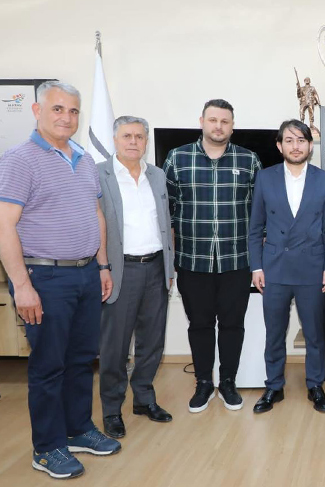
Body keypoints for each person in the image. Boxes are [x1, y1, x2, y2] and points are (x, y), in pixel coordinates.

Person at [0, 81, 121, 480]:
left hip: (86, 273)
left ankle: (77, 429)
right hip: (45, 276)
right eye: (57, 109)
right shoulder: (19, 160)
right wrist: (22, 286)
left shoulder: (83, 158)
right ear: (37, 111)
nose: (66, 117)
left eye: (72, 111)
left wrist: (102, 266)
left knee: (82, 359)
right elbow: (4, 226)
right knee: (49, 365)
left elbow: (95, 214)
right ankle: (48, 447)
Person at [163, 99, 262, 413]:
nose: (219, 126)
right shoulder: (177, 158)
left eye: (225, 121)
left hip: (236, 260)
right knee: (200, 325)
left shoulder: (249, 160)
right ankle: (204, 383)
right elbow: (167, 212)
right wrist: (170, 260)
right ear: (202, 121)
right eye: (213, 120)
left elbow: (259, 212)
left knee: (233, 325)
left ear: (232, 126)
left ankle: (228, 382)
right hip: (193, 260)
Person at [97, 116, 175, 438]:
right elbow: (95, 224)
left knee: (152, 341)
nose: (133, 142)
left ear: (146, 142)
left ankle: (144, 398)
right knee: (115, 346)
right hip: (120, 270)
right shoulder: (99, 175)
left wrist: (169, 268)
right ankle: (112, 410)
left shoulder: (156, 175)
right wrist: (102, 267)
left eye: (139, 137)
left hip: (155, 267)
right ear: (115, 139)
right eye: (127, 136)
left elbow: (166, 222)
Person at [249, 119, 325, 413]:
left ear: (310, 145)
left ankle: (315, 385)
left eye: (301, 140)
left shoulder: (324, 180)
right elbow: (255, 227)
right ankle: (274, 386)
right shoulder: (265, 178)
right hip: (274, 268)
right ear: (279, 145)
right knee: (275, 333)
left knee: (314, 334)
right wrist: (256, 267)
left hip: (312, 267)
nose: (295, 146)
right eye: (289, 140)